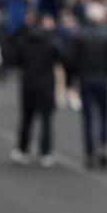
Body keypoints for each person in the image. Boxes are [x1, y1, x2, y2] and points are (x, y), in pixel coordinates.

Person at [68, 3, 107, 168]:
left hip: (86, 79)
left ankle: (90, 150)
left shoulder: (80, 36)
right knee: (104, 115)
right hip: (103, 79)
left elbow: (72, 60)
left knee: (88, 117)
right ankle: (103, 146)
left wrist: (74, 77)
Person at [11, 14, 65, 167]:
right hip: (46, 84)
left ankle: (22, 150)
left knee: (26, 119)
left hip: (28, 83)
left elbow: (16, 60)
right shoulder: (51, 42)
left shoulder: (24, 41)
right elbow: (62, 57)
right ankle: (45, 152)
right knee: (46, 121)